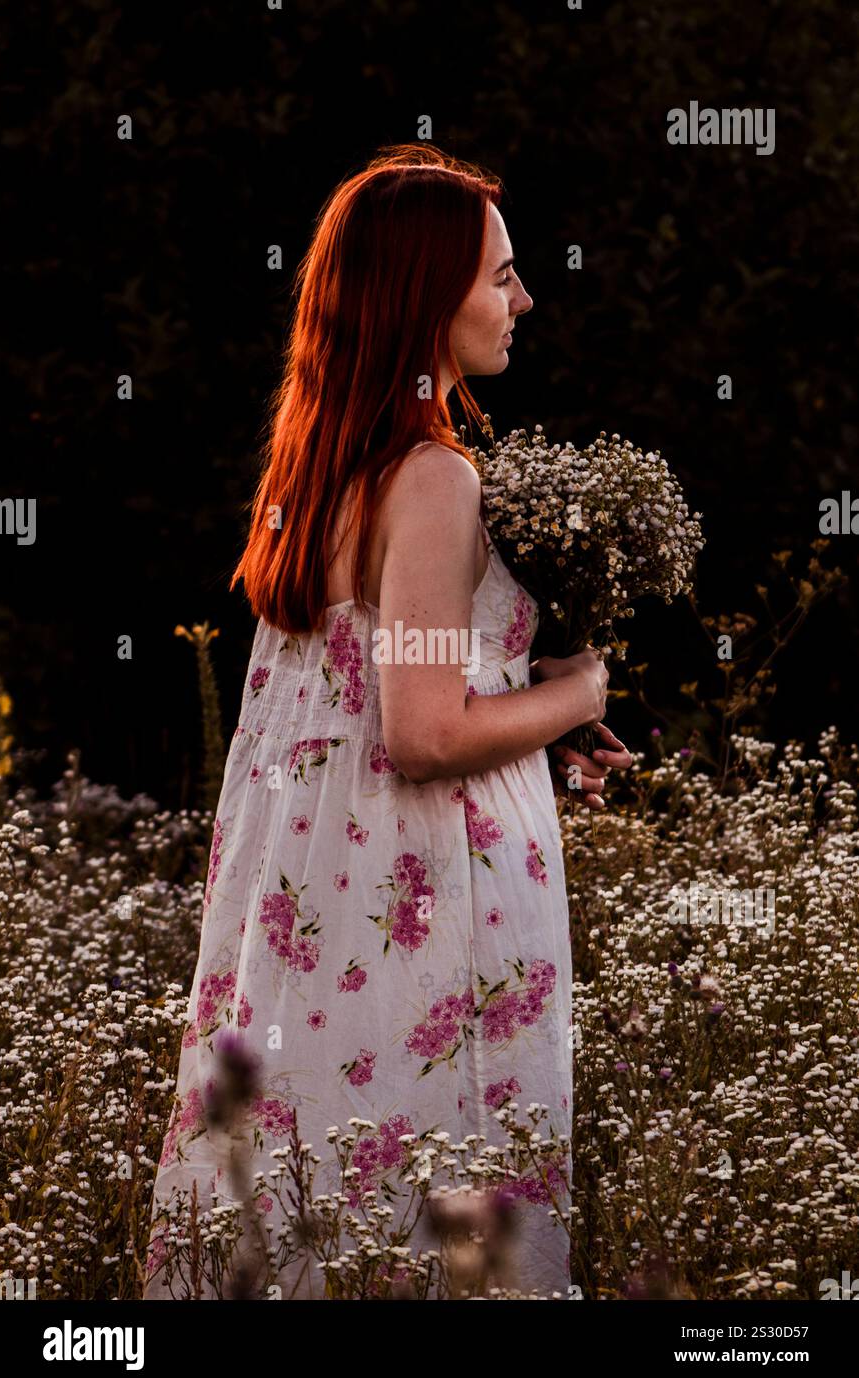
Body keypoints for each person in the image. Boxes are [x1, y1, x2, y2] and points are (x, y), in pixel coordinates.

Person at [143, 143, 631, 1301]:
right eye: (499, 277)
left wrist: (529, 721)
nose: (524, 298)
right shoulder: (431, 478)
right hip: (429, 914)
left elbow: (366, 699)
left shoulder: (320, 471)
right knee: (437, 1206)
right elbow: (419, 734)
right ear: (424, 295)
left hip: (329, 899)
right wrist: (581, 692)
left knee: (318, 1187)